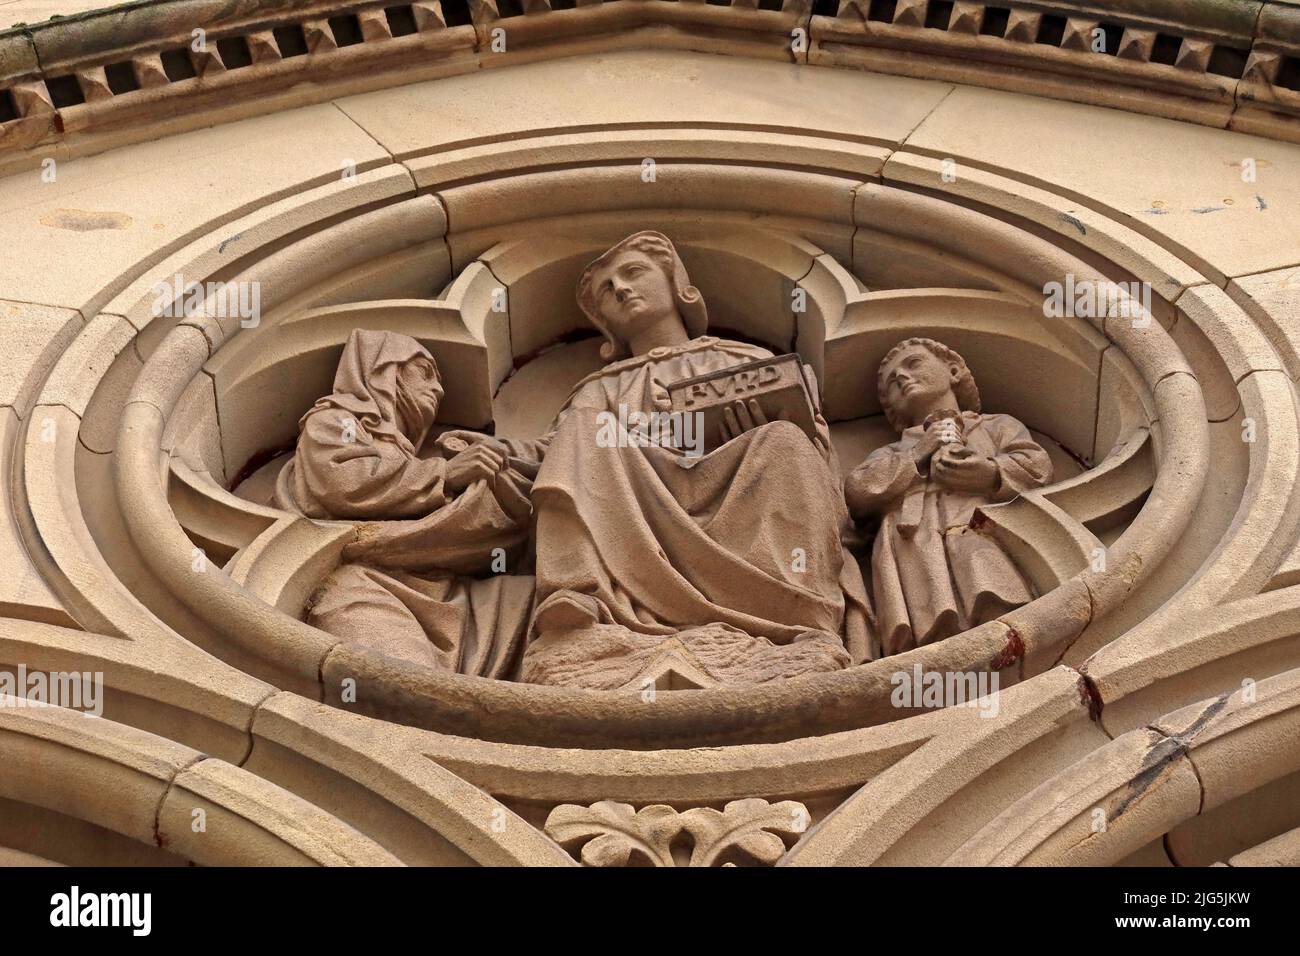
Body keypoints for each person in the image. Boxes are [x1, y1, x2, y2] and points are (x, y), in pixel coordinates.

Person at [448, 231, 875, 688]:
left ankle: (792, 609)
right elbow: (552, 453)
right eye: (607, 291)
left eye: (633, 273)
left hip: (733, 478)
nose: (622, 290)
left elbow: (814, 440)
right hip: (636, 499)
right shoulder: (600, 388)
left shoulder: (743, 358)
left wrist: (757, 427)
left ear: (676, 283)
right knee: (586, 430)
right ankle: (579, 597)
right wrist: (498, 453)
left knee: (786, 442)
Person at [274, 329, 535, 677]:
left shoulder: (404, 454)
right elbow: (345, 484)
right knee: (409, 692)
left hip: (441, 590)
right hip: (370, 584)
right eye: (425, 373)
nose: (439, 390)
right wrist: (446, 473)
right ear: (383, 370)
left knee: (541, 601)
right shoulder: (336, 420)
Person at [844, 337, 1052, 655]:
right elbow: (859, 491)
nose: (901, 377)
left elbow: (1036, 467)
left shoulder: (995, 426)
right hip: (912, 537)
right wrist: (918, 452)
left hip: (976, 522)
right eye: (891, 384)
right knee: (926, 616)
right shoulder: (890, 451)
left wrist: (991, 472)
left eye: (913, 364)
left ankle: (1006, 644)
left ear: (952, 370)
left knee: (991, 590)